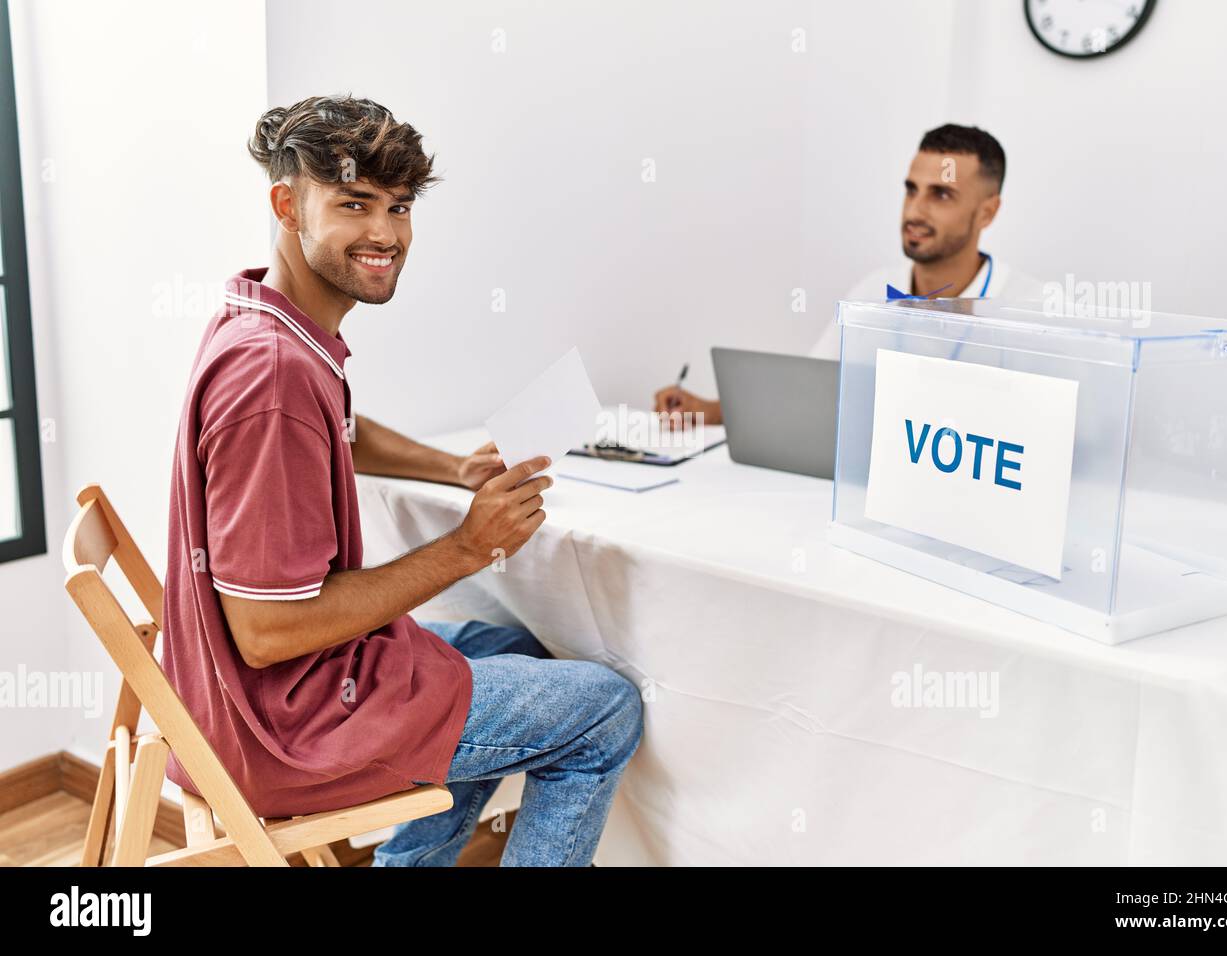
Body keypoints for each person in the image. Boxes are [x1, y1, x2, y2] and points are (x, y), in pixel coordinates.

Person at [161, 94, 642, 867]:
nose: (384, 234)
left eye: (399, 206)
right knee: (604, 711)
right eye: (355, 204)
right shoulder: (272, 378)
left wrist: (449, 466)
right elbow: (267, 633)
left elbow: (339, 430)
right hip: (283, 726)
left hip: (239, 699)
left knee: (516, 642)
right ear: (288, 205)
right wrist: (467, 548)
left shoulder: (265, 320)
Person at [653, 123, 1044, 424]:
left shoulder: (1032, 307)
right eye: (911, 190)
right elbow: (811, 392)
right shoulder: (873, 289)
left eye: (941, 195)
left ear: (988, 212)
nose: (914, 212)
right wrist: (706, 410)